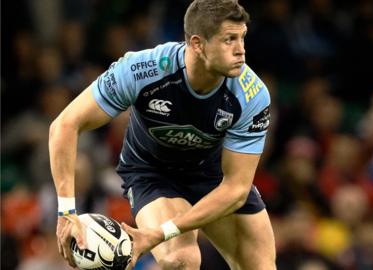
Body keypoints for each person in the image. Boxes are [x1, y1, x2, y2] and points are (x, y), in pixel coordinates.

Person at [48, 0, 276, 269]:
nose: (241, 51)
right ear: (197, 43)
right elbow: (64, 125)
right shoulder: (142, 71)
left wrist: (159, 233)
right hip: (153, 173)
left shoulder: (252, 95)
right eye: (229, 40)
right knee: (181, 260)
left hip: (214, 176)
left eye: (242, 38)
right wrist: (66, 211)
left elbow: (236, 189)